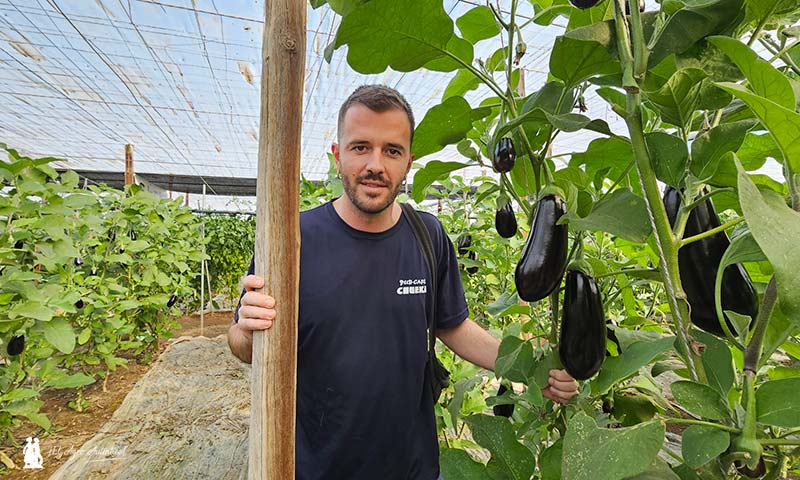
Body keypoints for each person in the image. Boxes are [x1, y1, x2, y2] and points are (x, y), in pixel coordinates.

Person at [227, 85, 578, 480]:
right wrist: (245, 328)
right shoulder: (291, 240)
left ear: (409, 161)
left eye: (392, 150)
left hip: (414, 468)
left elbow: (455, 327)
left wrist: (532, 369)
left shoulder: (427, 235)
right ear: (337, 155)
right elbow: (243, 347)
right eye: (360, 147)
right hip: (317, 468)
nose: (376, 164)